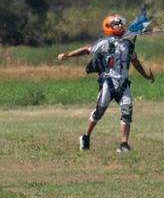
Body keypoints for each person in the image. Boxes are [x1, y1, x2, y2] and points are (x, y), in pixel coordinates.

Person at [57, 13, 154, 153]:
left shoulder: (128, 43)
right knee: (99, 112)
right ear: (109, 27)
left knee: (127, 111)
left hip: (123, 84)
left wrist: (145, 75)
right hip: (108, 83)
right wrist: (68, 55)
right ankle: (86, 137)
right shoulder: (104, 43)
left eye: (121, 24)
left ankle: (124, 144)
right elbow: (86, 50)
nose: (120, 26)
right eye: (116, 24)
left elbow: (135, 61)